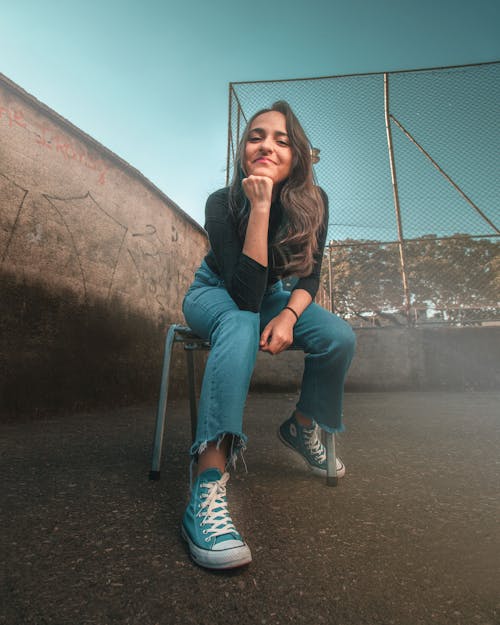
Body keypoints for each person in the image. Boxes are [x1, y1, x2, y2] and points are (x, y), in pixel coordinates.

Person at [181, 101, 356, 570]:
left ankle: (301, 427)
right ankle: (207, 481)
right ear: (243, 151)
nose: (267, 145)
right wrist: (259, 207)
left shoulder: (314, 204)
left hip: (275, 296)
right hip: (215, 292)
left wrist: (291, 317)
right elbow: (241, 296)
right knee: (239, 321)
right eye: (256, 136)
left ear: (297, 156)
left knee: (338, 336)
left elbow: (311, 276)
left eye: (281, 139)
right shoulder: (222, 201)